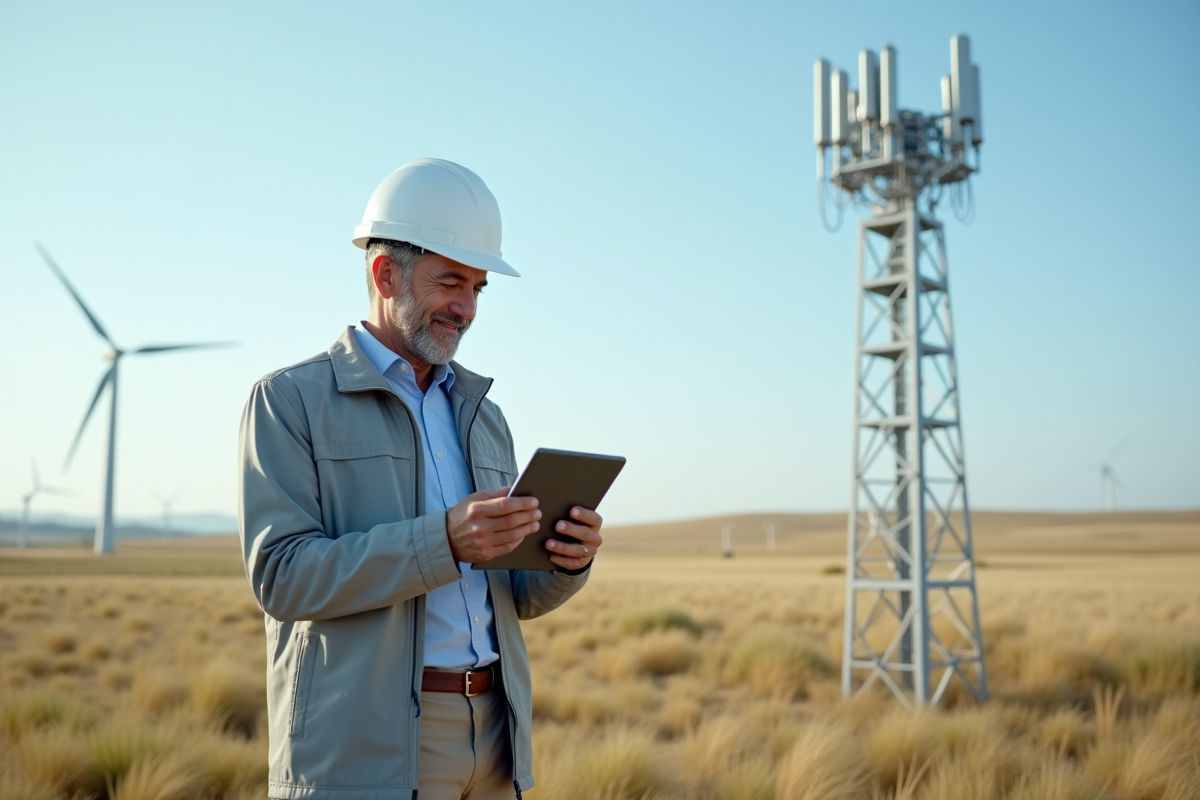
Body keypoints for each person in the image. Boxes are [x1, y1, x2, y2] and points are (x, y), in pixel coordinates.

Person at [238, 158, 603, 800]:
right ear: (385, 274)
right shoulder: (289, 401)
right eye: (450, 282)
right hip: (367, 747)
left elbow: (515, 597)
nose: (465, 308)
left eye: (479, 289)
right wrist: (445, 542)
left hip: (496, 736)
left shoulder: (485, 417)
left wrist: (563, 563)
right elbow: (282, 577)